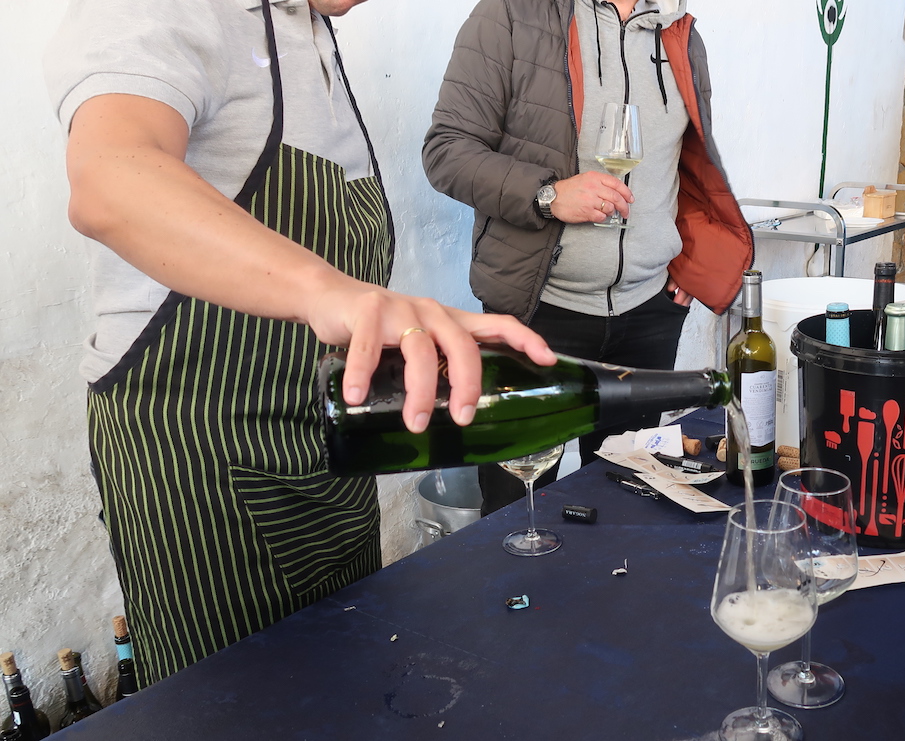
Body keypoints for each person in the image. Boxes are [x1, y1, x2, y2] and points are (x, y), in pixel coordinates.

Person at [44, 0, 554, 686]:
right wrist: (327, 292)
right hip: (205, 457)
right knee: (241, 703)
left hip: (329, 447)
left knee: (350, 677)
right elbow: (111, 176)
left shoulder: (309, 30)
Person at [423, 0, 753, 514]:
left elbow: (686, 165)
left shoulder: (681, 36)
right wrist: (548, 195)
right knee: (519, 511)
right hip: (536, 316)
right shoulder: (511, 13)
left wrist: (686, 266)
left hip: (649, 316)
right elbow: (446, 150)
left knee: (630, 505)